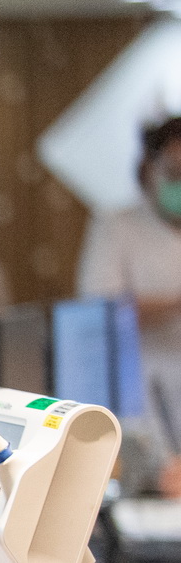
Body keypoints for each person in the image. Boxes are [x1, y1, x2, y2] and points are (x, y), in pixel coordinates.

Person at [80, 117, 181, 407]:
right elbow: (101, 309)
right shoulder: (117, 226)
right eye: (174, 172)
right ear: (150, 169)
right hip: (140, 382)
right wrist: (174, 305)